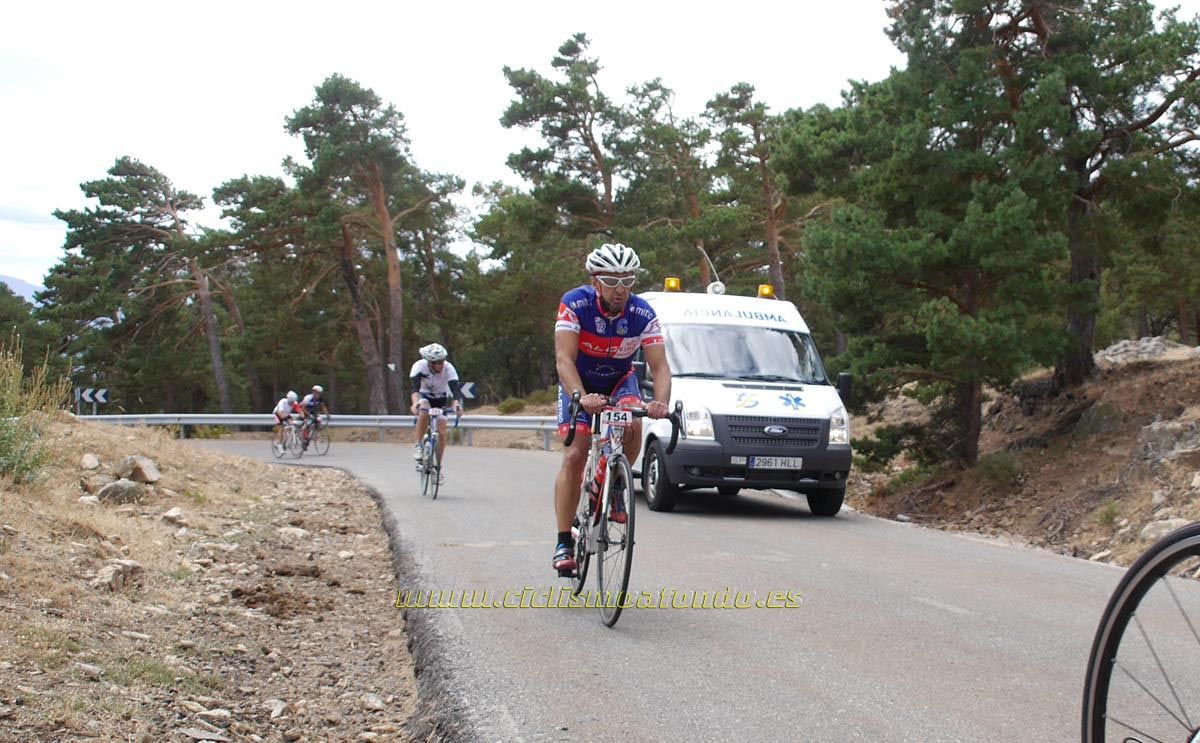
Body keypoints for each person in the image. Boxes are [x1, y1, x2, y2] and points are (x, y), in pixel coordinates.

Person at [551, 243, 672, 574]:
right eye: (611, 280)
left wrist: (660, 402)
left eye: (627, 280)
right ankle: (563, 541)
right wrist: (580, 394)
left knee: (634, 420)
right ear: (595, 281)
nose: (620, 289)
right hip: (580, 384)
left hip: (620, 382)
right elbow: (564, 359)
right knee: (574, 456)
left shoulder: (642, 313)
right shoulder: (574, 304)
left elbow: (660, 367)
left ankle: (615, 485)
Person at [409, 343, 465, 483]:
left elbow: (455, 390)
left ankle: (438, 468)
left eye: (442, 361)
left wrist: (456, 404)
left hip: (441, 399)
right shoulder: (418, 367)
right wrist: (415, 403)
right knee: (423, 410)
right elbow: (415, 390)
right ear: (429, 362)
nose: (440, 365)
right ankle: (419, 445)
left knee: (441, 432)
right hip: (424, 397)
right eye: (436, 362)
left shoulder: (449, 368)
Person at [299, 385, 331, 450]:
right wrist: (309, 415)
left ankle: (315, 432)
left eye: (319, 393)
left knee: (318, 420)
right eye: (317, 393)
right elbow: (303, 408)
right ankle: (304, 438)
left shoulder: (320, 398)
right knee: (308, 424)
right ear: (313, 392)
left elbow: (323, 406)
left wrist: (327, 414)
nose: (318, 395)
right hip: (304, 411)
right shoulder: (308, 397)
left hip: (312, 411)